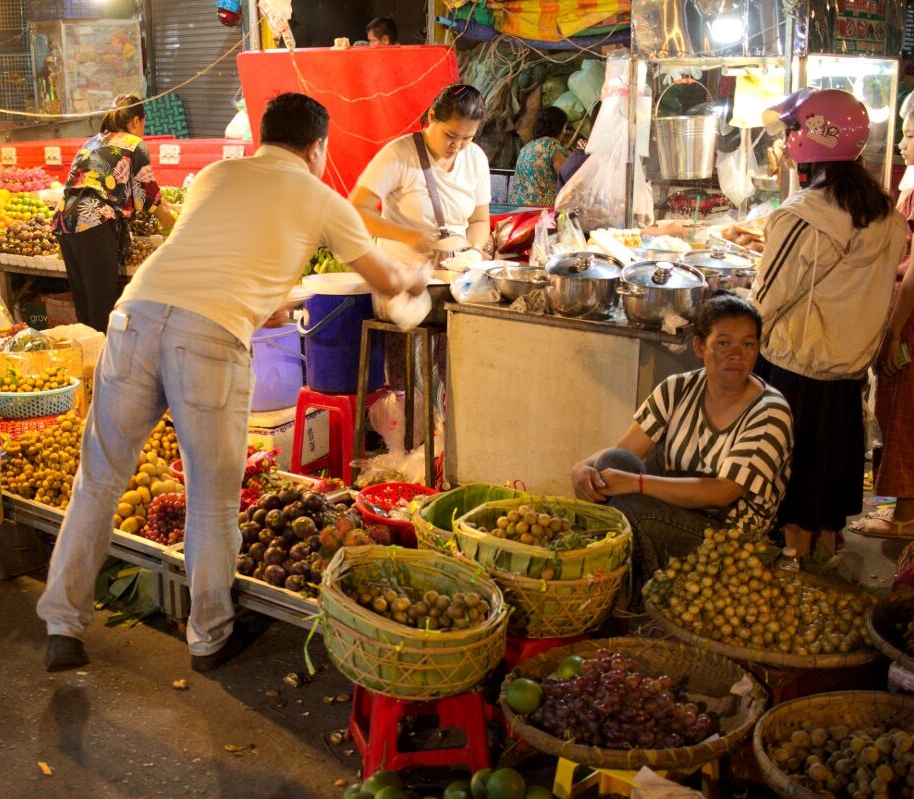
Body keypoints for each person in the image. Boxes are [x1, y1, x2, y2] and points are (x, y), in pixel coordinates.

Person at [36, 93, 425, 673]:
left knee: (98, 481)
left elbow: (221, 259)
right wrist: (416, 275)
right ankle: (209, 637)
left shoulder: (215, 175)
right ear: (318, 147)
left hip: (135, 315)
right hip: (208, 341)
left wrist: (264, 301)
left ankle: (62, 626)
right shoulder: (320, 197)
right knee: (213, 500)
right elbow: (382, 276)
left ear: (263, 134)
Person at [753, 88, 907, 557]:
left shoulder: (802, 219)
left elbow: (766, 300)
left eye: (791, 131)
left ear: (808, 141)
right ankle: (824, 558)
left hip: (795, 371)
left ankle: (794, 568)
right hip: (846, 375)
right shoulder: (885, 216)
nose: (785, 141)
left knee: (792, 480)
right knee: (828, 478)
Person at [571, 293, 794, 580]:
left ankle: (632, 591)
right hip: (675, 510)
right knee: (612, 462)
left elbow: (723, 491)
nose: (736, 354)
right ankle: (607, 579)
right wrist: (583, 468)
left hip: (728, 540)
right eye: (723, 343)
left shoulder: (770, 412)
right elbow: (624, 452)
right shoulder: (678, 388)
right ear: (700, 346)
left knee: (630, 505)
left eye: (747, 344)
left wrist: (637, 484)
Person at [52, 94, 174, 331]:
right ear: (137, 121)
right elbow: (145, 196)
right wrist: (171, 221)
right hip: (94, 222)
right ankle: (102, 364)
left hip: (64, 220)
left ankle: (89, 359)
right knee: (101, 307)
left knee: (85, 305)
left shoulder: (92, 142)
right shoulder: (134, 143)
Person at [854, 106, 914, 538]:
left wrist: (892, 331)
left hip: (910, 318)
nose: (900, 142)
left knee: (902, 409)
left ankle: (906, 517)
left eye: (909, 133)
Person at [350, 83, 493, 267]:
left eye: (467, 138)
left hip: (455, 278)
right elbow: (355, 211)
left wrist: (473, 252)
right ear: (432, 117)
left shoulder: (476, 158)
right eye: (450, 135)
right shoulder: (399, 154)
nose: (457, 146)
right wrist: (407, 236)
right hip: (401, 278)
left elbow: (479, 220)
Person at [509, 107, 568, 208]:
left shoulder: (527, 147)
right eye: (565, 127)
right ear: (558, 127)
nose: (565, 131)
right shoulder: (553, 148)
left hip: (516, 207)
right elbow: (567, 179)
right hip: (540, 211)